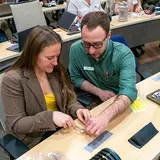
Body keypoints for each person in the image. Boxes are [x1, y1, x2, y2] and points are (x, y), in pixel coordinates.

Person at [1, 26, 91, 148]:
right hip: (34, 139)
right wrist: (52, 116)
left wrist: (77, 109)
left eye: (57, 56)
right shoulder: (13, 79)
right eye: (49, 58)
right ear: (33, 55)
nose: (55, 62)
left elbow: (69, 100)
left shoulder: (55, 69)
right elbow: (17, 124)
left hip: (61, 131)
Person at [69, 11, 137, 136]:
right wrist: (98, 91)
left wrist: (105, 117)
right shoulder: (75, 49)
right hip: (93, 102)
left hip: (118, 103)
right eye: (86, 44)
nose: (91, 51)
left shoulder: (123, 54)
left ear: (109, 35)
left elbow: (128, 92)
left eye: (97, 44)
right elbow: (75, 78)